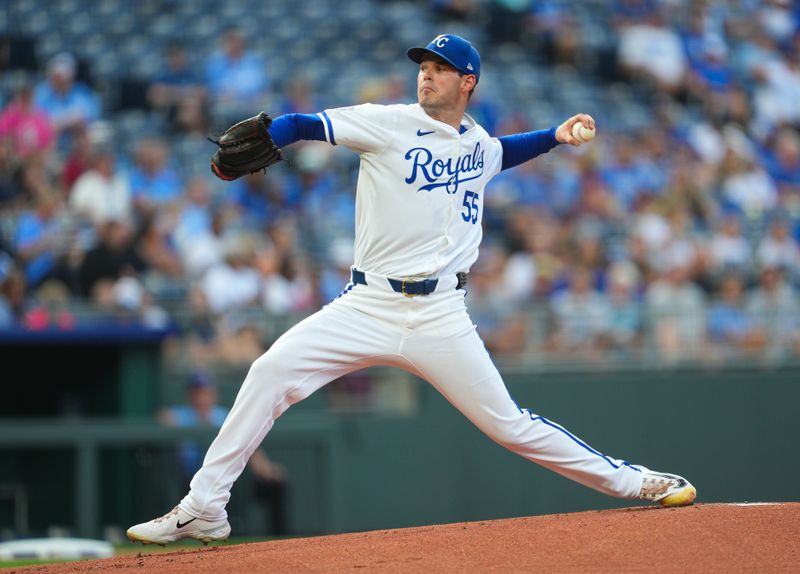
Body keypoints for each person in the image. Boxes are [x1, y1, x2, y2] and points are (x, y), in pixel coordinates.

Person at [128, 34, 697, 546]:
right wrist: (260, 144)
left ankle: (634, 482)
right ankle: (205, 507)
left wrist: (554, 136)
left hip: (441, 315)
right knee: (268, 373)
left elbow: (504, 151)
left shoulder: (478, 143)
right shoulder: (388, 122)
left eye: (440, 67)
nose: (426, 73)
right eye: (423, 65)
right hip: (366, 304)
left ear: (467, 81)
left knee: (510, 425)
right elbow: (303, 124)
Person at [159, 371, 289, 537]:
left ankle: (280, 539)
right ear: (190, 395)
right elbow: (164, 418)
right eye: (198, 392)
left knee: (273, 483)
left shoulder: (222, 415)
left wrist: (264, 468)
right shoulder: (181, 415)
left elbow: (249, 443)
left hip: (226, 481)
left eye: (207, 392)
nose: (203, 397)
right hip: (190, 481)